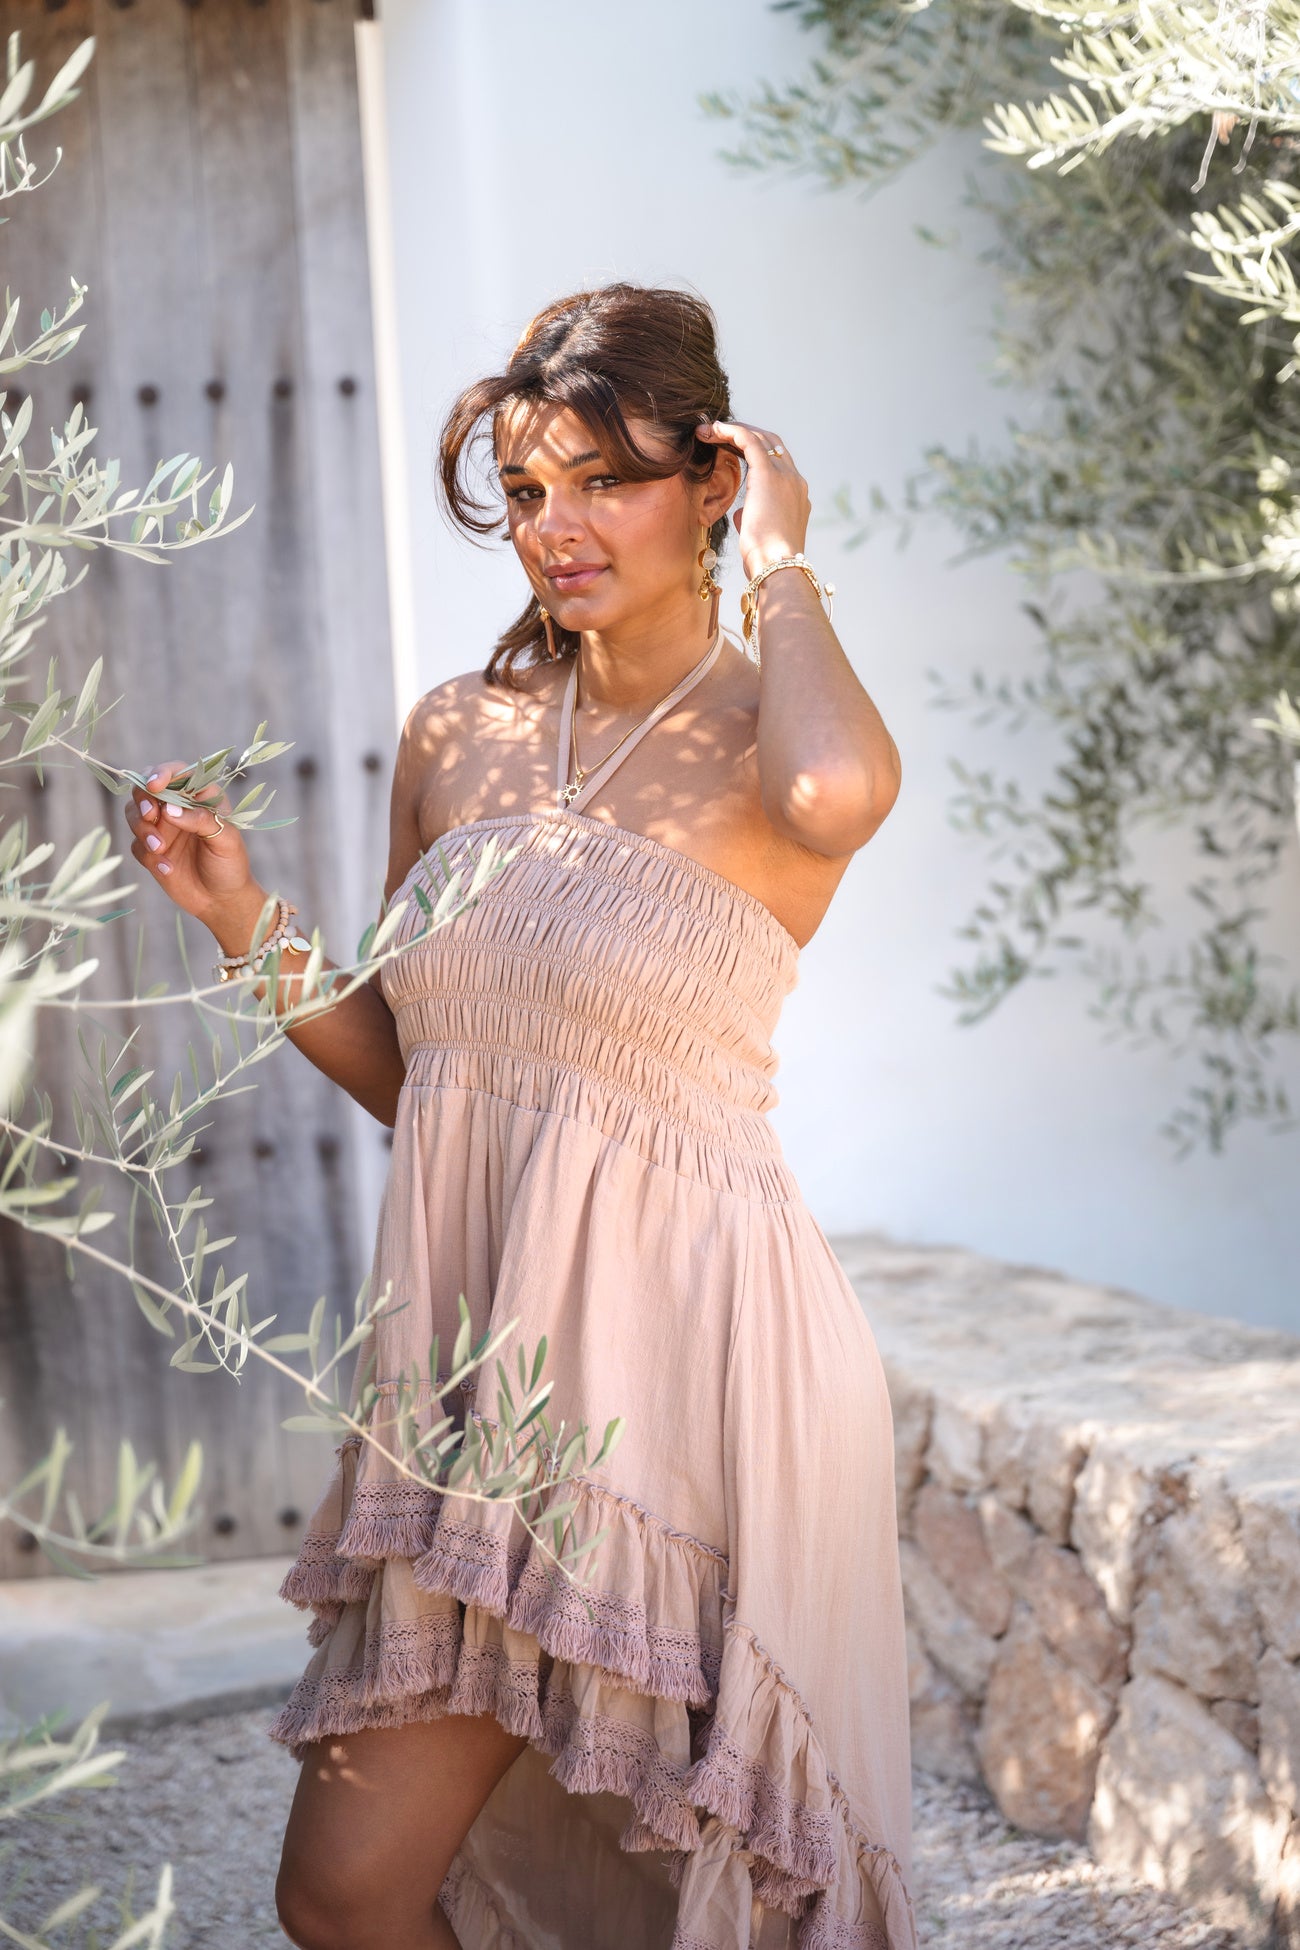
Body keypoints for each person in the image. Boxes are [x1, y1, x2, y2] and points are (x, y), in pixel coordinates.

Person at [124, 284, 915, 1950]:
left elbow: (842, 796)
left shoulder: (770, 733)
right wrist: (243, 921)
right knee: (347, 1890)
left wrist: (783, 562)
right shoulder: (458, 735)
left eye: (606, 481)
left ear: (714, 476)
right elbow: (428, 1079)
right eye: (528, 488)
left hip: (703, 1377)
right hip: (487, 1393)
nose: (557, 527)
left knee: (733, 1889)